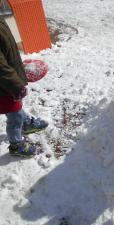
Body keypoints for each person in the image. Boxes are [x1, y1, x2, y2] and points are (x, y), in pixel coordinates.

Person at [0, 11, 48, 157]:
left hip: (7, 80)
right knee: (14, 115)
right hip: (4, 85)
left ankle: (26, 123)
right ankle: (16, 145)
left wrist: (18, 69)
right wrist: (15, 83)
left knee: (16, 107)